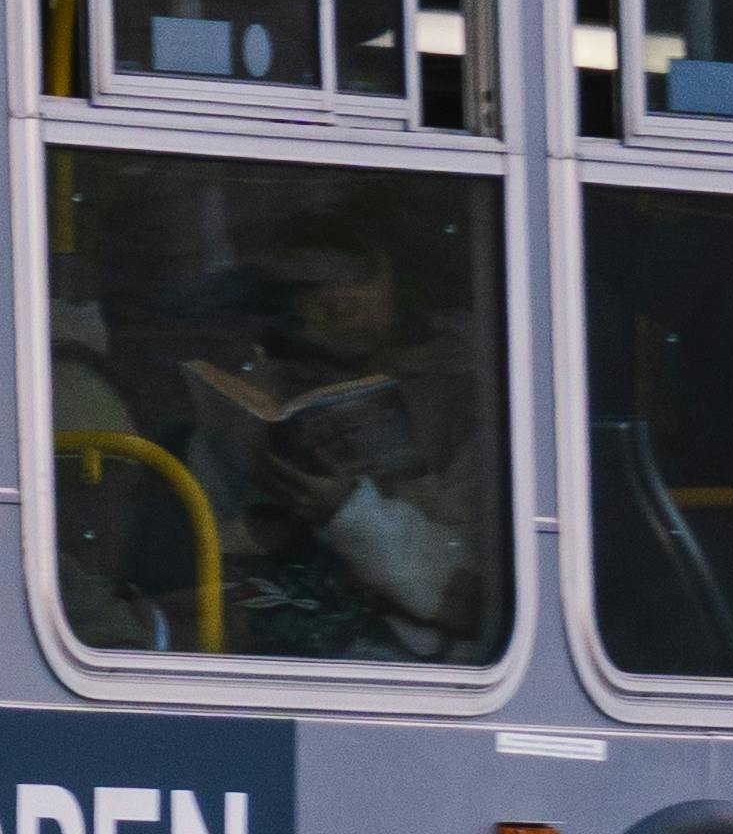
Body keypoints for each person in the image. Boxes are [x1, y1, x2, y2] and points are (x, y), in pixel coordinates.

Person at [172, 218, 496, 657]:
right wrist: (266, 527)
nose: (341, 302)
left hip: (403, 663)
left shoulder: (471, 402)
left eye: (358, 279)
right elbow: (192, 561)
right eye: (313, 286)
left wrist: (348, 512)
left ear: (393, 286)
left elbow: (472, 596)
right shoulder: (245, 404)